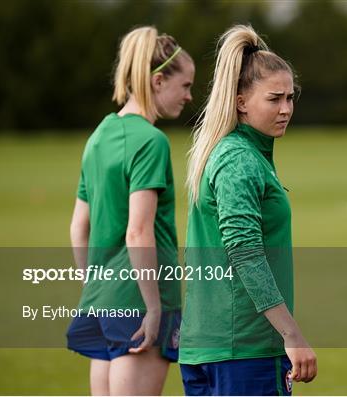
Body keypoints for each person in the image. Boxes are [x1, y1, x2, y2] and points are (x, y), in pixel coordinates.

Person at [179, 24, 316, 396]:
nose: (286, 108)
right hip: (243, 350)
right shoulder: (239, 160)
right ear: (241, 101)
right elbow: (244, 252)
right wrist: (292, 333)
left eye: (290, 97)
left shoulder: (238, 154)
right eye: (274, 99)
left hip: (210, 346)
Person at [67, 26, 194, 395]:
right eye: (185, 86)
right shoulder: (151, 142)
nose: (189, 96)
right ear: (158, 81)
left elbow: (78, 227)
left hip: (103, 299)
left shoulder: (99, 136)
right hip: (141, 298)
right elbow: (139, 231)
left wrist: (96, 285)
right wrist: (153, 308)